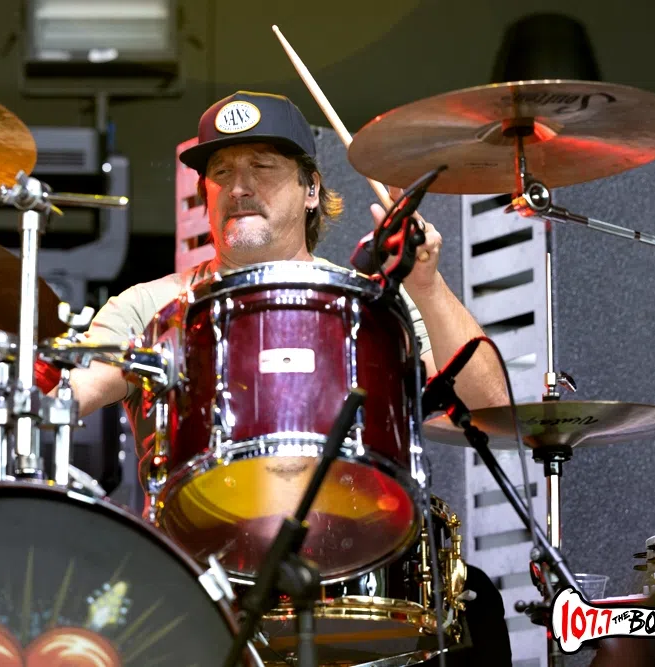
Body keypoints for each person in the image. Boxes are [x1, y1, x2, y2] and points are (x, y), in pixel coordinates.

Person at [63, 91, 512, 662]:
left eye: (263, 167)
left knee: (476, 606)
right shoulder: (151, 306)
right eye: (221, 172)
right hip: (202, 578)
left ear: (312, 190)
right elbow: (73, 390)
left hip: (355, 563)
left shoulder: (369, 305)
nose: (239, 186)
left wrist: (425, 283)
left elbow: (489, 405)